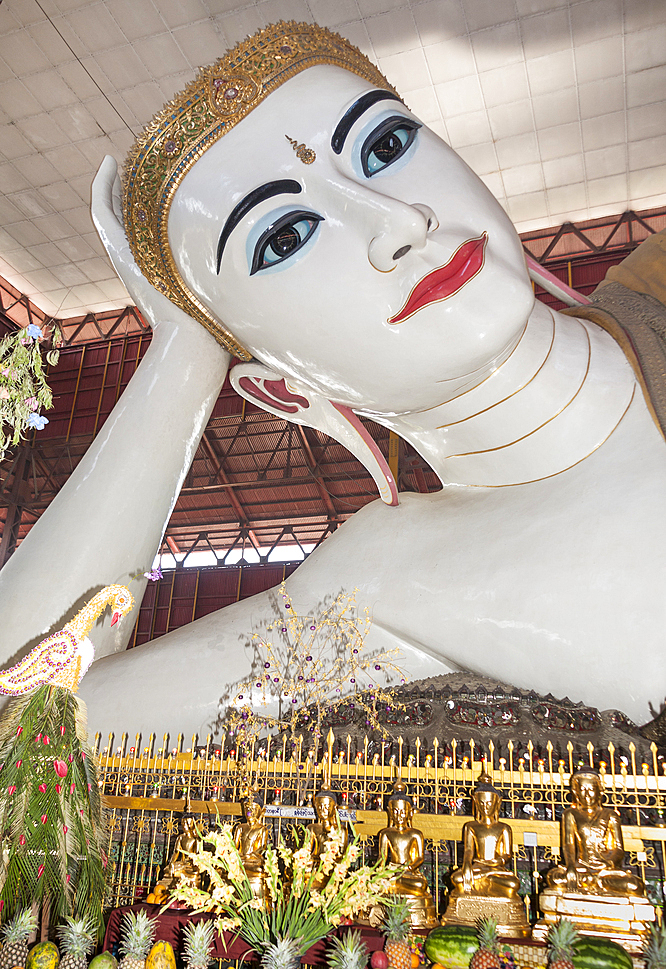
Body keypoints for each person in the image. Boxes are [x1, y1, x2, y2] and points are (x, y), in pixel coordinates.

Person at [2, 22, 666, 739]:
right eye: (283, 237)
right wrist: (184, 358)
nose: (399, 223)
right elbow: (29, 723)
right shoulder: (385, 585)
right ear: (281, 390)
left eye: (384, 147)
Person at [545, 767, 646, 897]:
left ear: (600, 791)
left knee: (634, 885)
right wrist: (570, 867)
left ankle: (594, 882)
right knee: (555, 878)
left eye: (592, 789)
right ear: (575, 793)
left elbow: (618, 849)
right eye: (582, 790)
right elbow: (568, 844)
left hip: (605, 871)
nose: (587, 795)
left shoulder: (610, 815)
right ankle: (593, 882)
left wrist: (607, 863)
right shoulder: (570, 814)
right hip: (580, 868)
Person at [377, 781, 438, 928]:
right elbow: (382, 858)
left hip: (408, 874)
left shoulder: (415, 834)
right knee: (376, 884)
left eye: (403, 811)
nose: (399, 815)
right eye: (395, 811)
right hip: (392, 873)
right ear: (390, 812)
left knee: (420, 885)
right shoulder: (386, 833)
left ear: (410, 812)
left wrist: (408, 868)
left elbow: (419, 858)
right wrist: (381, 872)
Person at [449, 776, 521, 899]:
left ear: (497, 803)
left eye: (489, 803)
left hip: (496, 869)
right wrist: (467, 865)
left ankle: (486, 881)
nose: (485, 807)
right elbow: (468, 850)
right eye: (481, 803)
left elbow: (508, 854)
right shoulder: (471, 826)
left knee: (513, 884)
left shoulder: (504, 828)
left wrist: (498, 861)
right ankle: (487, 881)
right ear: (476, 803)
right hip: (478, 868)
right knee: (457, 878)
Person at [306, 785, 348, 889]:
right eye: (319, 807)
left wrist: (329, 859)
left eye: (326, 807)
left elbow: (342, 855)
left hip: (331, 868)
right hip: (315, 866)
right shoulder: (312, 828)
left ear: (334, 808)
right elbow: (306, 851)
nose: (322, 810)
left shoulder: (341, 830)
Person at [233, 795, 269, 903]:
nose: (250, 812)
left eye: (254, 809)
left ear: (261, 812)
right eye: (248, 809)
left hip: (254, 860)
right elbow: (235, 846)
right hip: (241, 859)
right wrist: (238, 856)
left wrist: (252, 855)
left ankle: (257, 900)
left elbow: (263, 847)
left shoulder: (262, 829)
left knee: (259, 871)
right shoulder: (240, 827)